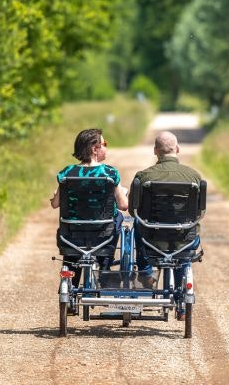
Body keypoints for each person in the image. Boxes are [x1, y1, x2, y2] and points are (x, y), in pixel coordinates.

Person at [128, 131, 202, 318]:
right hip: (183, 239)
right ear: (177, 149)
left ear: (155, 151)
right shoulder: (193, 177)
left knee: (138, 223)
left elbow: (133, 211)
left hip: (151, 239)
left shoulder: (143, 176)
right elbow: (198, 213)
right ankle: (183, 305)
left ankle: (145, 273)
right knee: (184, 242)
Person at [51, 128, 128, 285]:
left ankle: (70, 280)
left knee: (74, 232)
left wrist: (55, 195)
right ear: (95, 149)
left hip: (72, 234)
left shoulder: (67, 172)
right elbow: (123, 205)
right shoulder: (109, 173)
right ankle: (105, 263)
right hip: (102, 233)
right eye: (104, 143)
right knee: (119, 216)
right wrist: (124, 193)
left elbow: (55, 204)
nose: (106, 147)